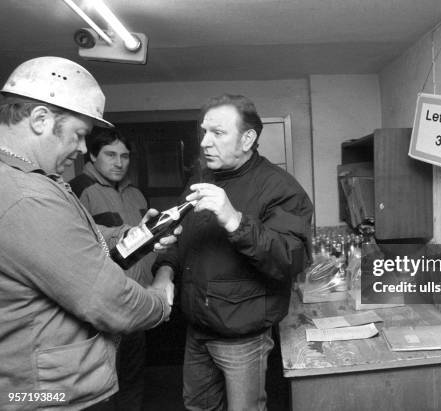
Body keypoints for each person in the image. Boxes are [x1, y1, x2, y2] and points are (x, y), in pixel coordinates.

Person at [0, 56, 177, 410]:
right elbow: (108, 301)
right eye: (79, 135)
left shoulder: (29, 181)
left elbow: (81, 239)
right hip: (51, 397)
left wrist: (135, 235)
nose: (83, 149)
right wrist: (161, 299)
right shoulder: (28, 197)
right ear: (39, 120)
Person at [153, 94, 313, 411]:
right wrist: (164, 271)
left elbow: (291, 259)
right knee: (197, 406)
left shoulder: (281, 188)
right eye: (204, 132)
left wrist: (234, 220)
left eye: (218, 133)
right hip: (196, 329)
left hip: (242, 339)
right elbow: (182, 238)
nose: (204, 143)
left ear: (247, 138)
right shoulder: (201, 178)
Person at [69, 129, 154, 411]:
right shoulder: (76, 190)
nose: (119, 162)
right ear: (92, 155)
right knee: (102, 386)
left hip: (137, 302)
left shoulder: (136, 194)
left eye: (125, 156)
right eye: (110, 155)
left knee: (132, 379)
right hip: (102, 311)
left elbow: (146, 243)